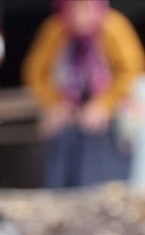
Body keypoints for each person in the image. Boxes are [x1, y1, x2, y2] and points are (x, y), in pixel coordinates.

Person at [23, 0, 144, 188]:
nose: (80, 18)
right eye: (73, 10)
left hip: (111, 105)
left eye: (86, 9)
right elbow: (35, 71)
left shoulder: (114, 25)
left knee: (104, 139)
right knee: (61, 140)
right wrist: (54, 103)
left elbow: (131, 69)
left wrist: (105, 103)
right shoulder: (55, 29)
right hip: (67, 104)